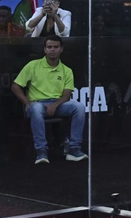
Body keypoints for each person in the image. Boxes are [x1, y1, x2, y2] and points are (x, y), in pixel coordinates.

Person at [10, 34, 87, 164]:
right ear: (44, 49)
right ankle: (41, 151)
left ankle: (74, 149)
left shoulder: (67, 70)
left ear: (61, 49)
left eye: (55, 47)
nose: (52, 50)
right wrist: (27, 102)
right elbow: (15, 86)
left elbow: (66, 95)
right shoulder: (33, 65)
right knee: (36, 108)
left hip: (58, 105)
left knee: (79, 107)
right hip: (37, 104)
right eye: (49, 47)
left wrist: (55, 105)